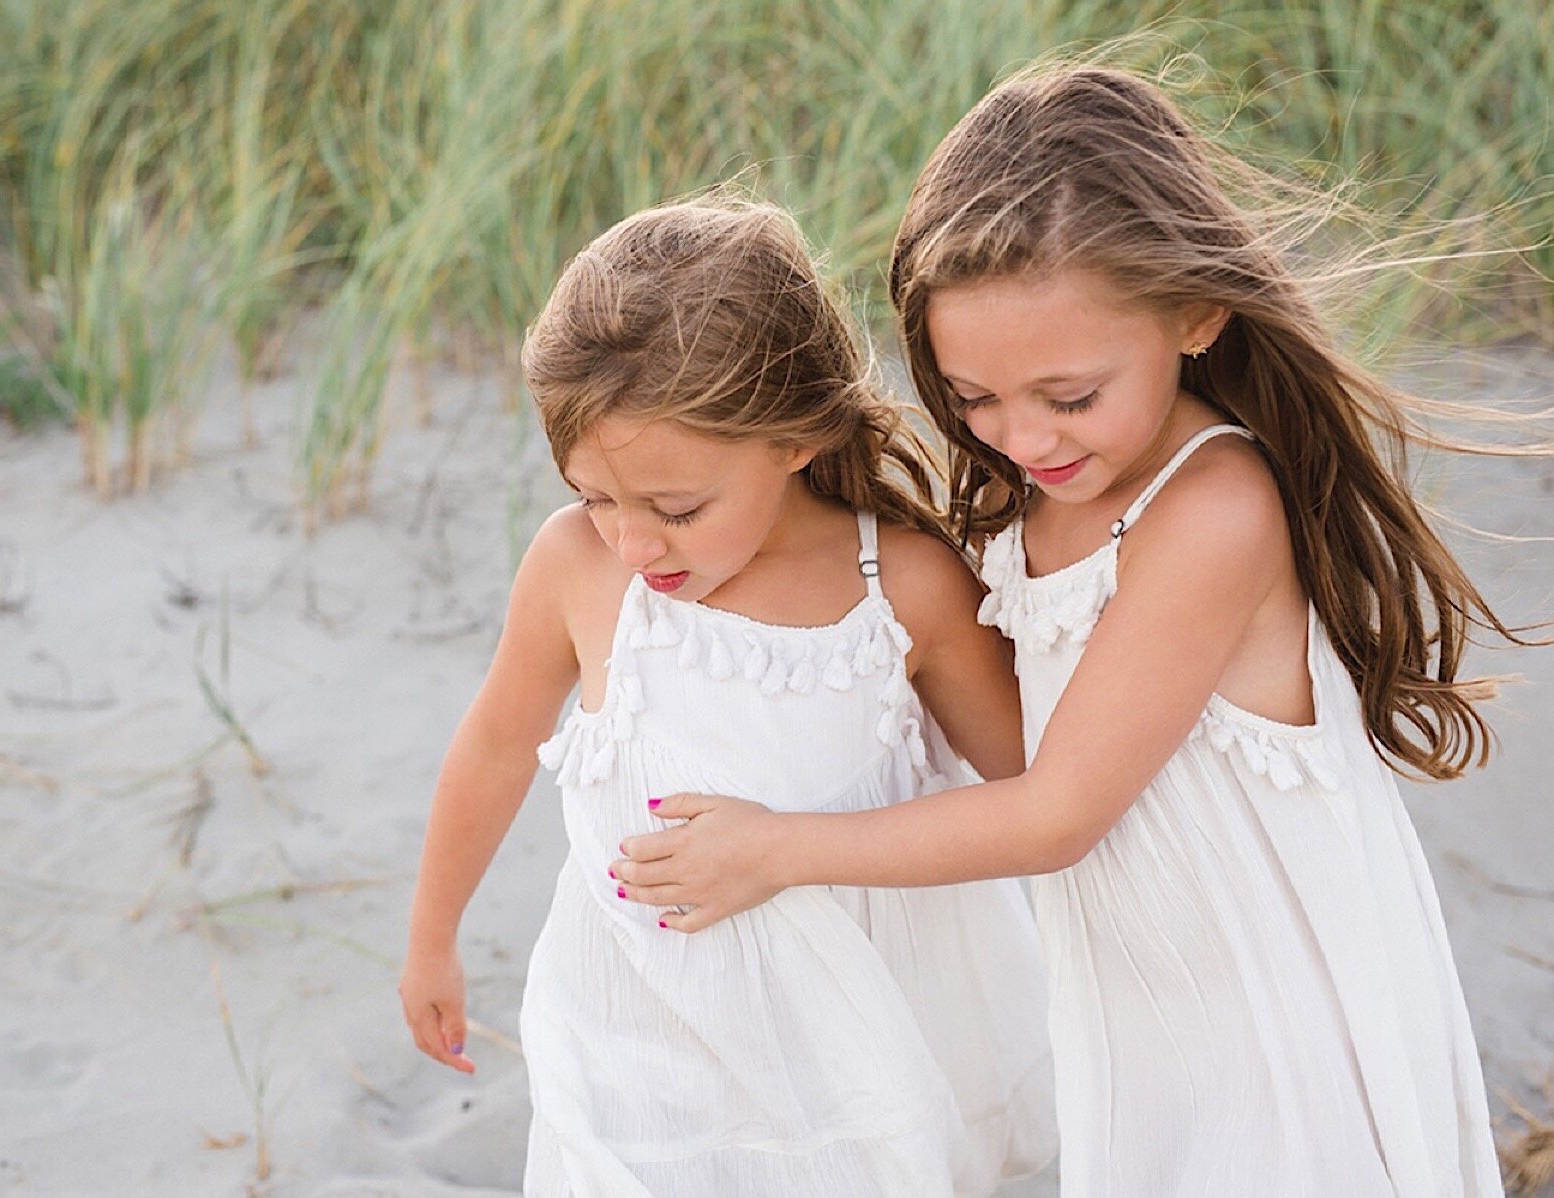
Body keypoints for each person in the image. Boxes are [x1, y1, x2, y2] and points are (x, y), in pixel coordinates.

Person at [612, 68, 1522, 1196]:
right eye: (973, 397)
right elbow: (1007, 738)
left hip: (1265, 992)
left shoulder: (1212, 511)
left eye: (1070, 394)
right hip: (1142, 991)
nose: (1020, 435)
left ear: (1195, 314)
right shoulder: (1040, 490)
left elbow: (1055, 813)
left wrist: (776, 845)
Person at [399, 195, 1056, 1196]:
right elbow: (494, 744)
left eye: (676, 508)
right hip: (649, 1030)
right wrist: (432, 937)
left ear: (794, 439)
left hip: (859, 1038)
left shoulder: (902, 587)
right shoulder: (576, 569)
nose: (632, 541)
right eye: (594, 495)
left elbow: (1033, 787)